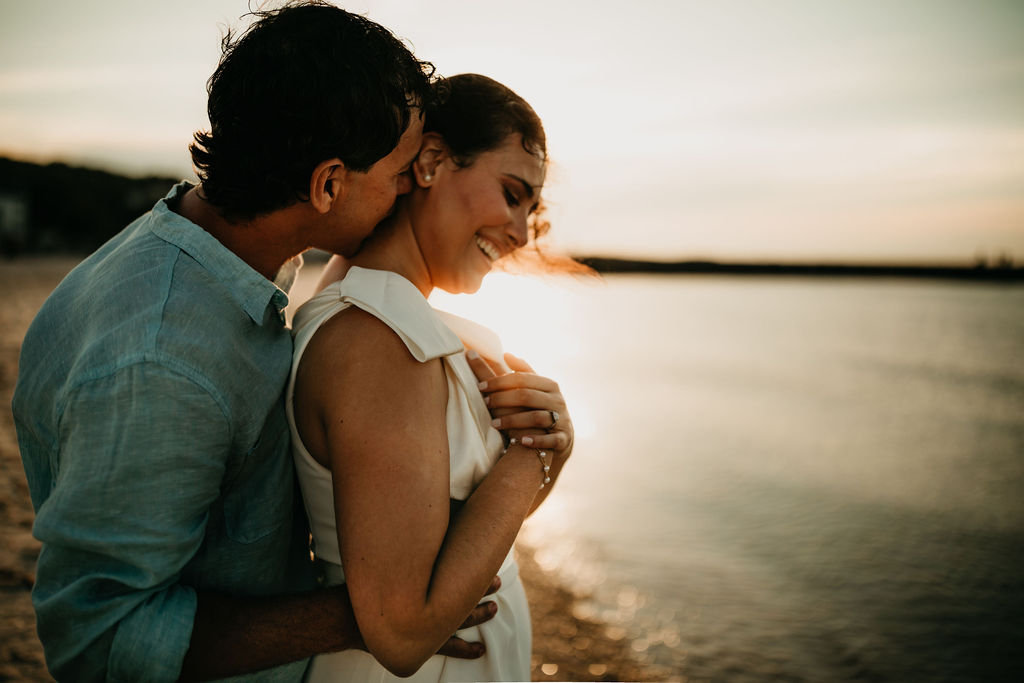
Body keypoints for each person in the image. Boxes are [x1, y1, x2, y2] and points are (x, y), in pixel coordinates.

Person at [11, 4, 498, 681]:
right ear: (328, 184)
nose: (408, 190)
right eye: (399, 173)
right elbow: (101, 641)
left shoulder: (205, 250)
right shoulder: (163, 360)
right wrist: (374, 614)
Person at [286, 73, 577, 681]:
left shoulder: (402, 323)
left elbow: (474, 532)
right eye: (512, 194)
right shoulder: (378, 342)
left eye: (532, 211)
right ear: (432, 161)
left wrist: (555, 444)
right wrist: (534, 454)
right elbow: (403, 629)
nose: (521, 234)